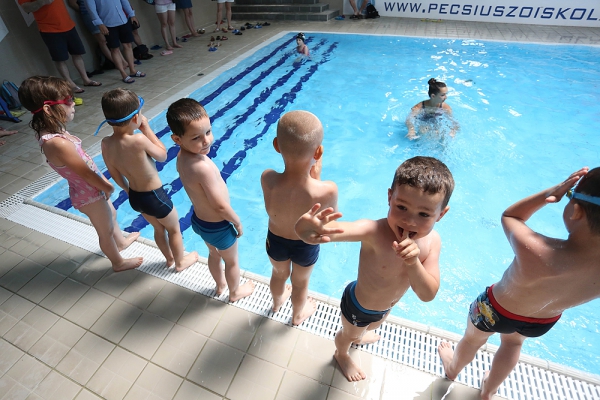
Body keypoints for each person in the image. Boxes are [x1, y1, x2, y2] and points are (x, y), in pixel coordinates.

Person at [438, 167, 600, 400]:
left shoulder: (538, 250)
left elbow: (511, 216)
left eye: (569, 196)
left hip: (495, 310)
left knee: (472, 340)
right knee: (513, 345)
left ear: (576, 211)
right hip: (542, 321)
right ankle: (488, 391)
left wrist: (551, 193)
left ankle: (452, 369)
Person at [295, 156, 454, 381]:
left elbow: (427, 294)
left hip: (384, 307)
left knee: (371, 327)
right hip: (358, 305)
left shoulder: (432, 243)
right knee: (348, 335)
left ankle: (361, 335)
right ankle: (341, 353)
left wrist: (413, 263)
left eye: (424, 214)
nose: (409, 221)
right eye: (401, 207)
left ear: (441, 214)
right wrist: (305, 229)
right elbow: (327, 231)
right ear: (390, 198)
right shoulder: (373, 231)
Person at [18, 76, 142, 271]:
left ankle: (121, 243)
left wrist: (102, 183)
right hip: (89, 194)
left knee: (112, 214)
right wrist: (106, 186)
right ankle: (118, 263)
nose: (74, 104)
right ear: (48, 109)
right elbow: (85, 173)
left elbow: (85, 167)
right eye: (68, 100)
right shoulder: (57, 143)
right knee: (105, 230)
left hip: (90, 188)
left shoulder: (52, 132)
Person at [167, 98, 255, 302]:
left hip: (200, 222)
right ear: (177, 139)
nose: (206, 141)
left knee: (214, 255)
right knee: (232, 262)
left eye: (208, 132)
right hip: (219, 227)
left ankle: (220, 285)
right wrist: (237, 221)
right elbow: (220, 206)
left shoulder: (182, 157)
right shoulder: (202, 167)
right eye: (196, 138)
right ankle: (235, 292)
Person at [99, 89, 198, 271]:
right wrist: (147, 129)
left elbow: (114, 173)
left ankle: (169, 259)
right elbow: (162, 155)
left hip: (135, 197)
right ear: (136, 117)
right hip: (155, 197)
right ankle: (180, 262)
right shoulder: (138, 140)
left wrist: (127, 190)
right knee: (174, 229)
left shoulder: (106, 143)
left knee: (158, 229)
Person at [261, 111, 338, 325]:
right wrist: (318, 178)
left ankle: (276, 304)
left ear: (276, 145)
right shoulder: (327, 190)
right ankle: (296, 316)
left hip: (275, 240)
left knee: (278, 274)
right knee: (301, 282)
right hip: (305, 244)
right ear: (318, 152)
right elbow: (329, 223)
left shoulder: (267, 178)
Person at [17, 0, 102, 93]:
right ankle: (70, 83)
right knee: (60, 58)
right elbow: (26, 8)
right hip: (49, 29)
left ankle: (86, 79)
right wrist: (42, 2)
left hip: (68, 24)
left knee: (77, 53)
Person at [85, 0, 146, 83]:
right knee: (114, 49)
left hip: (123, 20)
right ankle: (123, 74)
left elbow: (124, 1)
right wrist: (100, 24)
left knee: (128, 45)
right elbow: (91, 10)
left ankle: (132, 70)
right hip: (108, 23)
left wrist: (132, 14)